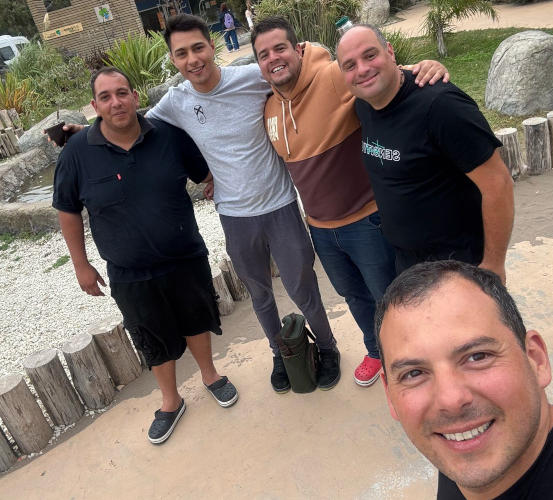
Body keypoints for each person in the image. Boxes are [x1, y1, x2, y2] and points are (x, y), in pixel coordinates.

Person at [58, 14, 343, 393]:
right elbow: (132, 122)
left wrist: (319, 51)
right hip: (234, 215)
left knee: (302, 285)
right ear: (173, 60)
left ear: (211, 46)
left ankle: (327, 346)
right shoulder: (175, 103)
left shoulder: (253, 78)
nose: (192, 59)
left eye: (198, 48)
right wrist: (89, 130)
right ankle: (279, 353)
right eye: (181, 53)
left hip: (279, 206)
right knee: (259, 295)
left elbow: (304, 70)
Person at [251, 17, 448, 387]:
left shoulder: (330, 77)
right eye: (264, 55)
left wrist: (424, 67)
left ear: (298, 49)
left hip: (366, 221)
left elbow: (379, 76)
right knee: (354, 296)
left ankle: (412, 357)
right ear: (259, 65)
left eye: (280, 48)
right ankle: (376, 351)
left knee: (390, 295)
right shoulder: (269, 109)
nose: (274, 58)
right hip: (321, 230)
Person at [53, 67, 238, 445]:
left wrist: (216, 183)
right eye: (105, 96)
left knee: (196, 319)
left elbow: (206, 172)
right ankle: (170, 401)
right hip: (129, 271)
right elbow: (67, 209)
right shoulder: (77, 152)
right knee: (150, 335)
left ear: (135, 97)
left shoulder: (167, 135)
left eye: (122, 93)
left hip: (185, 255)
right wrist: (80, 264)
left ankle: (210, 376)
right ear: (94, 106)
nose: (116, 102)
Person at [375, 260, 553, 499]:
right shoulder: (462, 442)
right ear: (390, 395)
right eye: (414, 373)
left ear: (536, 359)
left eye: (477, 356)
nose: (450, 400)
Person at [336, 25, 514, 284]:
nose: (362, 69)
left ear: (390, 52)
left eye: (370, 55)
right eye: (349, 65)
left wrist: (494, 266)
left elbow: (499, 184)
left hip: (460, 266)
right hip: (408, 266)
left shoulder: (442, 105)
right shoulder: (364, 105)